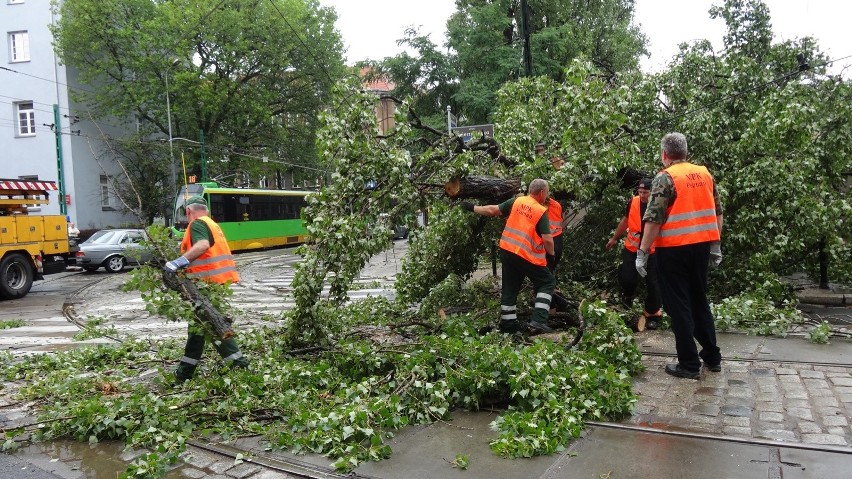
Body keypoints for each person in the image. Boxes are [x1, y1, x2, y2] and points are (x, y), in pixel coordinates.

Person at [636, 133, 723, 379]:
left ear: (664, 154)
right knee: (698, 299)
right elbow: (718, 212)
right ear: (685, 152)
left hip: (673, 250)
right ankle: (712, 356)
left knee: (678, 305)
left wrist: (642, 252)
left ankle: (688, 364)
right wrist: (715, 245)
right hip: (701, 248)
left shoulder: (665, 177)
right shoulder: (704, 174)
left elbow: (654, 218)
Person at [165, 195, 249, 383]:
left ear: (188, 211)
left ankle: (242, 367)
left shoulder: (197, 225)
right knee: (198, 330)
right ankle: (184, 374)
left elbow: (202, 246)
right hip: (213, 284)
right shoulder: (212, 224)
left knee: (214, 327)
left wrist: (178, 262)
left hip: (206, 285)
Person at [460, 179, 556, 334]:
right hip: (525, 255)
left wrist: (472, 207)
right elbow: (547, 239)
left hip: (507, 251)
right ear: (542, 192)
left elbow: (492, 210)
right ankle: (538, 321)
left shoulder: (517, 201)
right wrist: (551, 256)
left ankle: (508, 326)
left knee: (509, 289)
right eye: (548, 192)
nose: (547, 195)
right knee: (547, 282)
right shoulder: (540, 210)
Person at [605, 177, 663, 330]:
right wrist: (614, 238)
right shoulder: (633, 202)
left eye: (646, 192)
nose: (643, 195)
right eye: (640, 191)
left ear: (653, 191)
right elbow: (625, 220)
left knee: (653, 283)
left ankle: (653, 313)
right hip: (632, 248)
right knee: (627, 278)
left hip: (653, 250)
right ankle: (627, 297)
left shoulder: (659, 203)